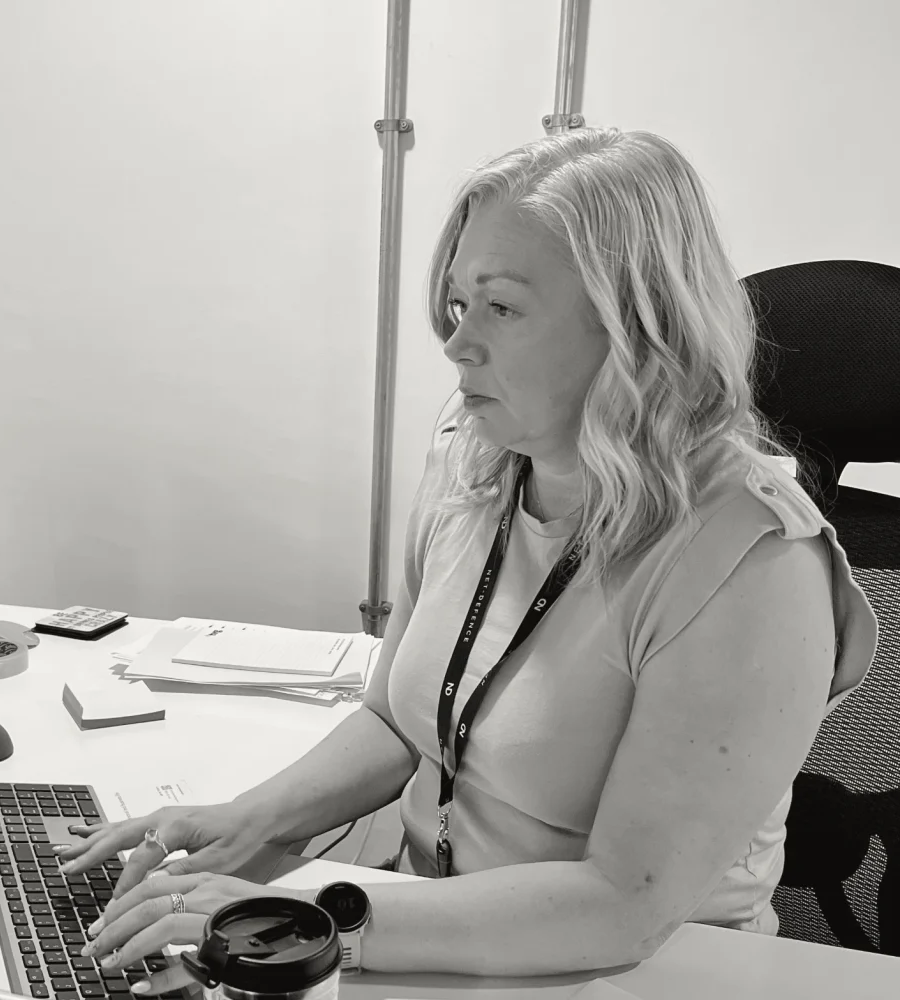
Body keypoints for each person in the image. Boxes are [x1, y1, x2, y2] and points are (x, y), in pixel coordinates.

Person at [57, 127, 878, 988]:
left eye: (502, 306)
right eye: (458, 304)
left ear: (634, 322)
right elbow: (394, 721)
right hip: (432, 937)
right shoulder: (474, 459)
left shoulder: (752, 563)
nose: (456, 345)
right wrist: (243, 824)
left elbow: (623, 907)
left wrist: (315, 921)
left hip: (636, 971)